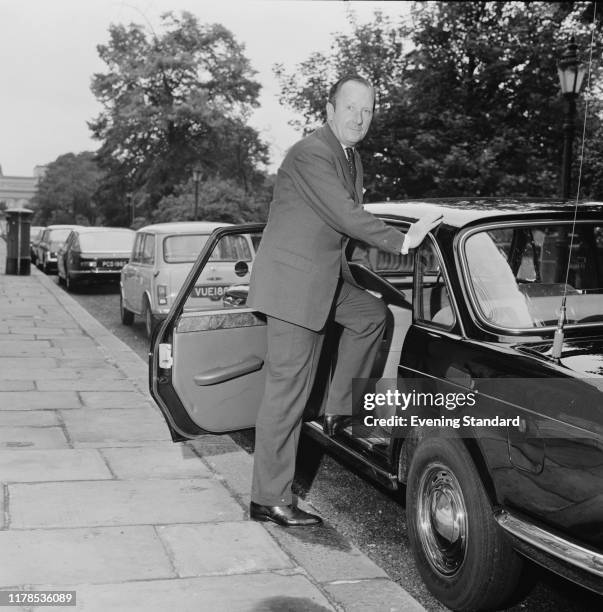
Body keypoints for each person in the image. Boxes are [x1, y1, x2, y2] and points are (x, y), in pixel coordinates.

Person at [247, 75, 442, 527]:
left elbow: (336, 234)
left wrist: (370, 275)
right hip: (294, 289)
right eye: (350, 107)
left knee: (372, 316)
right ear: (329, 108)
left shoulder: (350, 157)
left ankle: (337, 411)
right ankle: (268, 498)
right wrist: (405, 242)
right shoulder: (312, 153)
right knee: (287, 394)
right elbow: (345, 215)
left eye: (368, 110)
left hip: (324, 280)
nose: (358, 117)